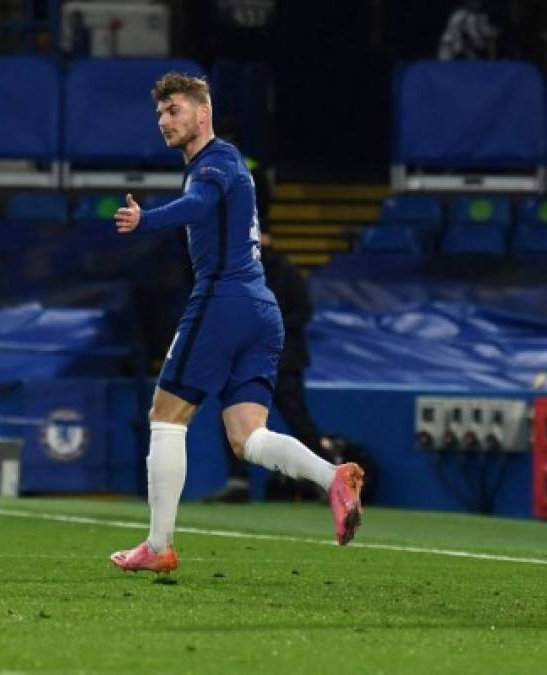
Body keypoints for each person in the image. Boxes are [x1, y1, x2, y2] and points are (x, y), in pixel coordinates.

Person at [109, 73, 364, 575]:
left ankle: (158, 546)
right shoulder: (221, 164)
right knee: (248, 437)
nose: (165, 120)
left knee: (165, 415)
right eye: (160, 113)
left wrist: (148, 220)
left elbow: (198, 206)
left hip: (223, 299)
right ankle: (331, 476)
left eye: (175, 110)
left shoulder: (217, 161)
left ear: (203, 114)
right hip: (260, 309)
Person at [205, 220, 334, 503]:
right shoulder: (237, 273)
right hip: (246, 362)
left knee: (299, 422)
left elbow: (303, 313)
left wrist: (267, 326)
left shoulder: (285, 271)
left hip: (283, 360)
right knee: (231, 420)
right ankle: (238, 481)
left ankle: (329, 479)